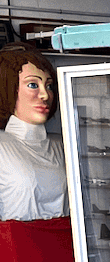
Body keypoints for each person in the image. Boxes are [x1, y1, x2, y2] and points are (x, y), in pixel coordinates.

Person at [0, 42, 65, 221]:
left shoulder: (61, 145)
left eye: (49, 86)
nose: (45, 95)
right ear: (7, 88)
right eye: (32, 85)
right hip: (14, 237)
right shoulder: (3, 147)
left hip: (64, 235)